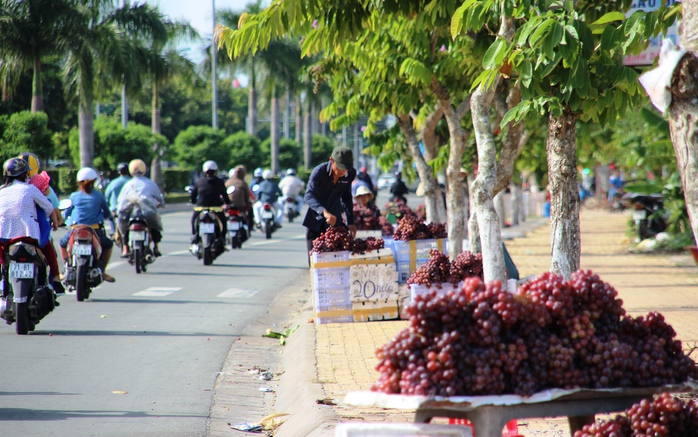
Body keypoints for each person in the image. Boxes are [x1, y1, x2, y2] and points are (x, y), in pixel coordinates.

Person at [0, 158, 58, 291]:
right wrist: (52, 221)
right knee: (47, 246)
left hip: (4, 238)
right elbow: (48, 207)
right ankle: (56, 277)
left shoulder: (1, 191)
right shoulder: (30, 189)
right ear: (23, 174)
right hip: (29, 235)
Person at [59, 167, 116, 283]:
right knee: (108, 244)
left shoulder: (74, 196)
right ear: (94, 181)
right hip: (96, 231)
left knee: (61, 243)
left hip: (75, 230)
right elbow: (107, 213)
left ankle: (66, 268)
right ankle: (102, 271)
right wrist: (112, 224)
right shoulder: (99, 196)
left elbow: (67, 213)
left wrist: (60, 221)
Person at [303, 146, 357, 257]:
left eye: (346, 168)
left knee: (336, 260)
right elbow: (309, 195)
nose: (343, 171)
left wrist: (350, 221)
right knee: (315, 258)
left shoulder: (350, 173)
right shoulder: (319, 172)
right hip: (315, 221)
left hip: (336, 223)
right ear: (331, 160)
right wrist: (324, 212)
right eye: (340, 167)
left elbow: (347, 197)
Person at [116, 159, 165, 258]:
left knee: (123, 228)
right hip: (146, 213)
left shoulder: (128, 185)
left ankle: (125, 248)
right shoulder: (150, 183)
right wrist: (161, 204)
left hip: (129, 214)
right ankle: (156, 247)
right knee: (155, 225)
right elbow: (159, 198)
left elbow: (120, 202)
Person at [190, 160, 229, 244]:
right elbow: (225, 196)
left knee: (193, 220)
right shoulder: (220, 182)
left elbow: (193, 196)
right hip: (216, 208)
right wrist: (227, 202)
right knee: (223, 223)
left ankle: (194, 235)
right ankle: (222, 239)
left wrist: (192, 201)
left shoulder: (199, 182)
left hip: (201, 208)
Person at [104, 162, 131, 234]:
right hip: (130, 209)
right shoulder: (132, 182)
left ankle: (113, 233)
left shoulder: (113, 182)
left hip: (115, 210)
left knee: (111, 218)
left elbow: (107, 196)